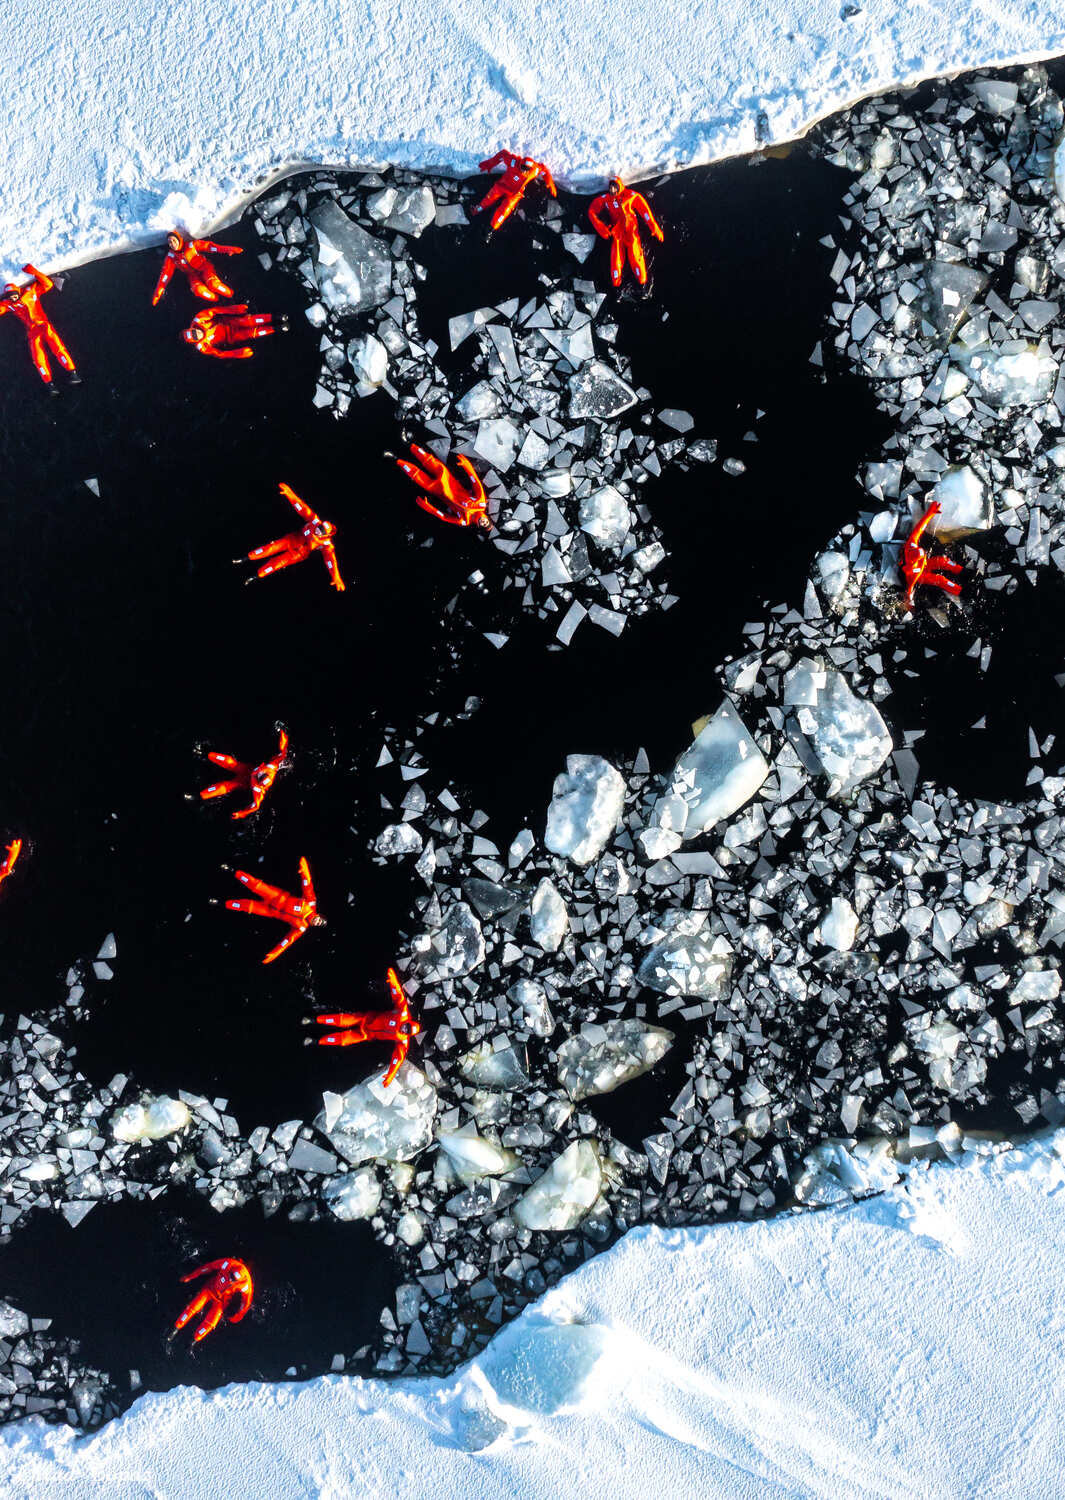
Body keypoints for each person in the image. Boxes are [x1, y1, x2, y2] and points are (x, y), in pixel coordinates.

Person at [307, 967, 421, 1086]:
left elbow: (398, 1058)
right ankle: (314, 1020)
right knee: (341, 1020)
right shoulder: (402, 1013)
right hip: (365, 1019)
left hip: (367, 1034)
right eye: (407, 1026)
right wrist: (393, 981)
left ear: (408, 1034)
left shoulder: (402, 1041)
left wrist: (391, 1074)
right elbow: (398, 996)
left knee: (343, 1040)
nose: (404, 1029)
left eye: (406, 1031)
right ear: (408, 1022)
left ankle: (316, 1041)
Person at [216, 857, 323, 964]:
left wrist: (275, 953)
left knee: (247, 907)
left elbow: (287, 941)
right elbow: (307, 886)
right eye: (319, 920)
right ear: (318, 915)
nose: (317, 922)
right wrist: (304, 870)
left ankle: (220, 903)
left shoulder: (302, 927)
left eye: (318, 924)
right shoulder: (311, 903)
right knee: (255, 885)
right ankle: (231, 870)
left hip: (270, 911)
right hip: (276, 896)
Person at [241, 483, 344, 590]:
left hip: (299, 554)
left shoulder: (326, 544)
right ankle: (247, 557)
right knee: (272, 547)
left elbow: (330, 561)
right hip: (293, 539)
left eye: (322, 530)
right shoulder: (314, 521)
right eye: (320, 527)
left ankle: (256, 575)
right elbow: (302, 508)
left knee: (278, 563)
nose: (318, 530)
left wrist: (336, 577)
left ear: (326, 534)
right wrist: (290, 494)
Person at [0, 265, 77, 388]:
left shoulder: (30, 293)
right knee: (38, 358)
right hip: (33, 332)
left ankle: (72, 372)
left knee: (58, 347)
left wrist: (34, 272)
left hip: (44, 325)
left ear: (18, 292)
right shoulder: (9, 305)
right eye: (9, 296)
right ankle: (49, 383)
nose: (12, 298)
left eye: (13, 295)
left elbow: (47, 284)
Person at [192, 727, 289, 819]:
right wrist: (282, 732)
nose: (259, 776)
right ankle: (206, 754)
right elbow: (283, 752)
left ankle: (199, 797)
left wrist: (241, 814)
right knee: (230, 762)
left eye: (259, 779)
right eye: (261, 775)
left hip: (244, 783)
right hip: (248, 769)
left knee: (226, 786)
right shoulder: (272, 766)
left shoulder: (258, 790)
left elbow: (255, 806)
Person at [389, 442, 490, 529]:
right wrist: (467, 466)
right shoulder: (480, 504)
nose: (484, 522)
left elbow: (443, 516)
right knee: (430, 461)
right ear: (487, 518)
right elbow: (475, 482)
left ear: (479, 526)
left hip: (437, 491)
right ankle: (409, 444)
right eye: (486, 521)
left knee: (416, 475)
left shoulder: (464, 521)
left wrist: (428, 507)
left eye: (484, 525)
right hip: (447, 480)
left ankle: (395, 458)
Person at [587, 176, 664, 288]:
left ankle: (641, 279)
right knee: (616, 255)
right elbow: (591, 211)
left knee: (634, 251)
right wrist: (600, 227)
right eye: (610, 188)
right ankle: (616, 280)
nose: (612, 190)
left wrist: (653, 226)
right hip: (617, 231)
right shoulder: (606, 199)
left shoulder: (630, 195)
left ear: (619, 187)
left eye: (615, 187)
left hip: (631, 230)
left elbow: (643, 210)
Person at [171, 1258, 253, 1346]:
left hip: (222, 1300)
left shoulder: (245, 1283)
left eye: (233, 1279)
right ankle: (175, 1329)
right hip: (210, 1288)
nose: (230, 1279)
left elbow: (246, 1302)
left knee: (211, 1322)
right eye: (230, 1275)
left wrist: (236, 1317)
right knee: (193, 1307)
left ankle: (193, 1342)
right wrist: (190, 1276)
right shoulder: (227, 1263)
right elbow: (209, 1267)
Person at [473, 150, 557, 231]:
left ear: (530, 169)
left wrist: (550, 182)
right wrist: (490, 163)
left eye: (526, 169)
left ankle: (491, 228)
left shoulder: (534, 171)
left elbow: (544, 171)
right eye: (522, 167)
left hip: (515, 193)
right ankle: (477, 210)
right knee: (489, 199)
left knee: (505, 210)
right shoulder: (513, 162)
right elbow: (503, 154)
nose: (523, 170)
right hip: (501, 186)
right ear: (520, 164)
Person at [152, 231, 243, 305]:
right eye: (170, 242)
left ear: (179, 239)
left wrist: (228, 249)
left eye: (174, 240)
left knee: (214, 285)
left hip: (205, 268)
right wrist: (158, 291)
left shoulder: (192, 246)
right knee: (199, 291)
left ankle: (232, 295)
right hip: (192, 275)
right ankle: (218, 301)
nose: (172, 244)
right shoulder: (171, 257)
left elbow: (211, 247)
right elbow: (165, 274)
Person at [902, 501, 963, 608]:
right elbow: (910, 588)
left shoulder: (911, 544)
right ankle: (961, 591)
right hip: (920, 575)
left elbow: (920, 528)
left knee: (943, 561)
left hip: (923, 565)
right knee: (940, 580)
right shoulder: (913, 573)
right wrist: (909, 603)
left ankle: (963, 571)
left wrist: (930, 513)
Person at [182, 304, 286, 360]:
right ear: (196, 341)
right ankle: (276, 328)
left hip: (230, 322)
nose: (198, 333)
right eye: (196, 336)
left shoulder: (199, 319)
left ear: (193, 328)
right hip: (232, 337)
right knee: (250, 334)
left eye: (194, 332)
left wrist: (235, 309)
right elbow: (220, 354)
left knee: (248, 321)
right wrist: (239, 353)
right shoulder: (203, 347)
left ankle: (276, 317)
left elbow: (216, 310)